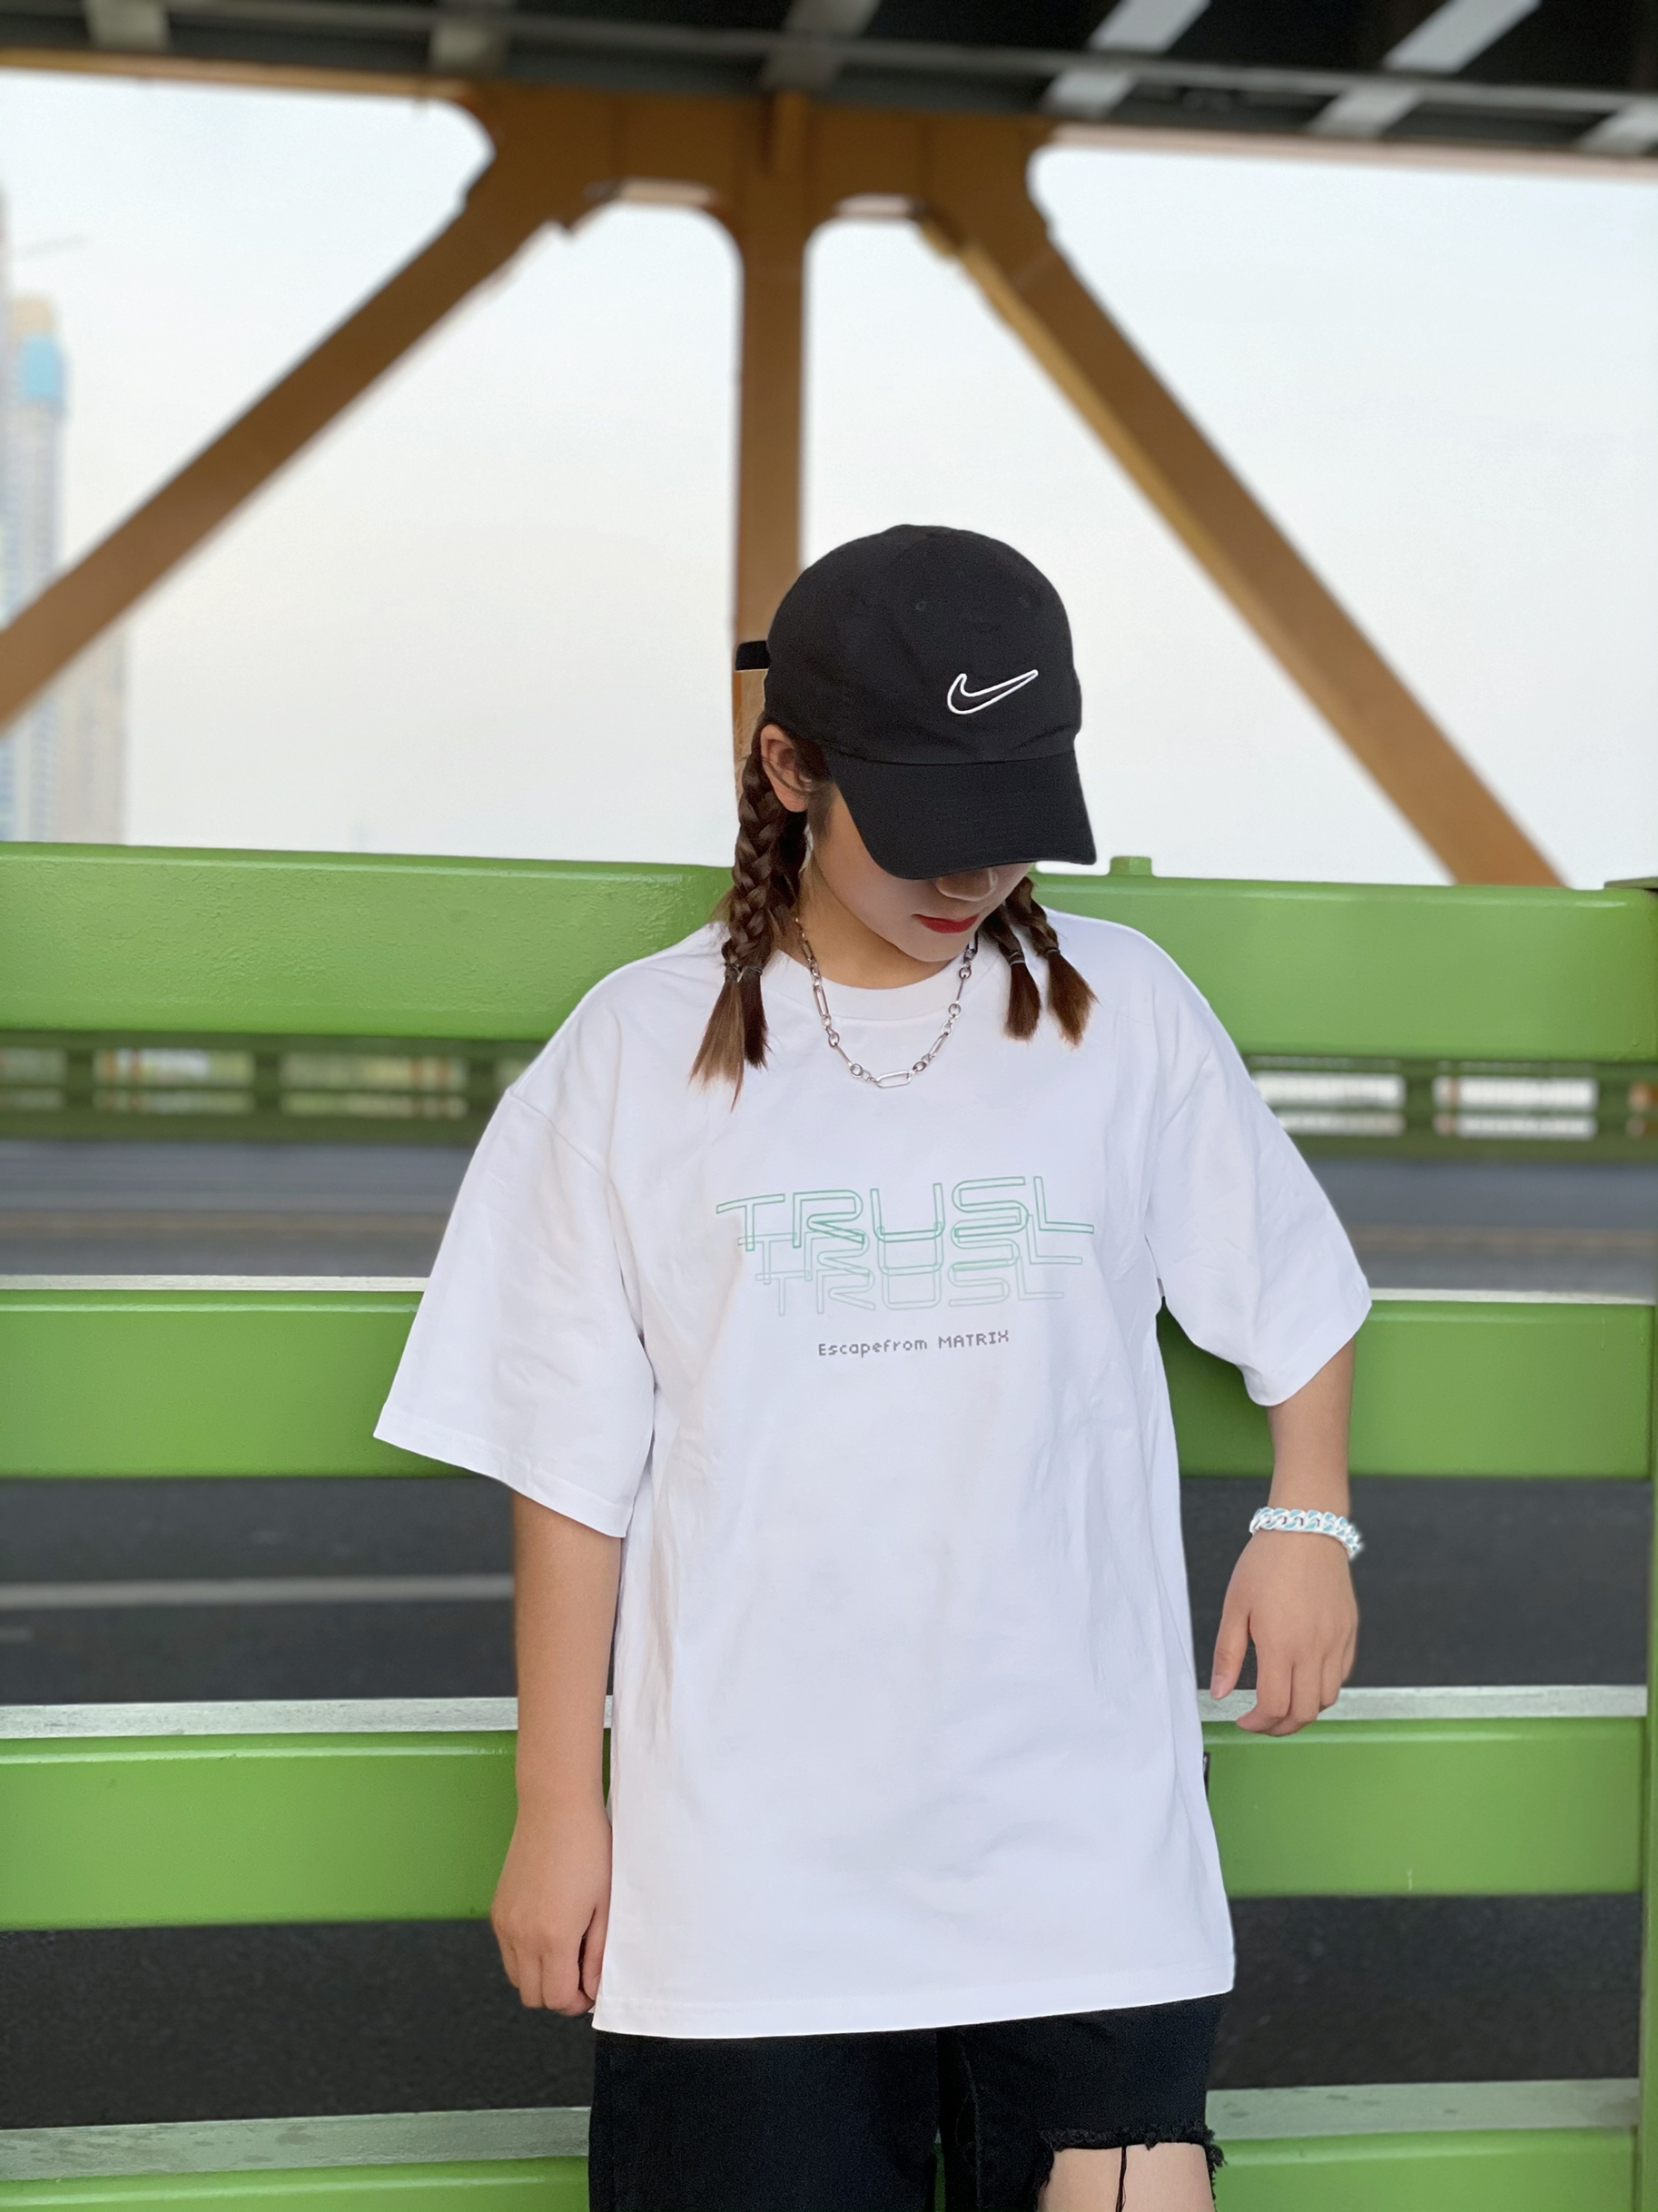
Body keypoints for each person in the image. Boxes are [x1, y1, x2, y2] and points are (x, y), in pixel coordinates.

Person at [375, 525, 1369, 2212]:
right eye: (924, 823)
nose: (967, 874)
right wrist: (558, 1808)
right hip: (749, 1883)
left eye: (1008, 820)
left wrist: (1307, 1517)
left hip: (1084, 1860)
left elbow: (1293, 1290)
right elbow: (567, 1463)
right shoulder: (632, 1051)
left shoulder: (1120, 1010)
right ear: (788, 770)